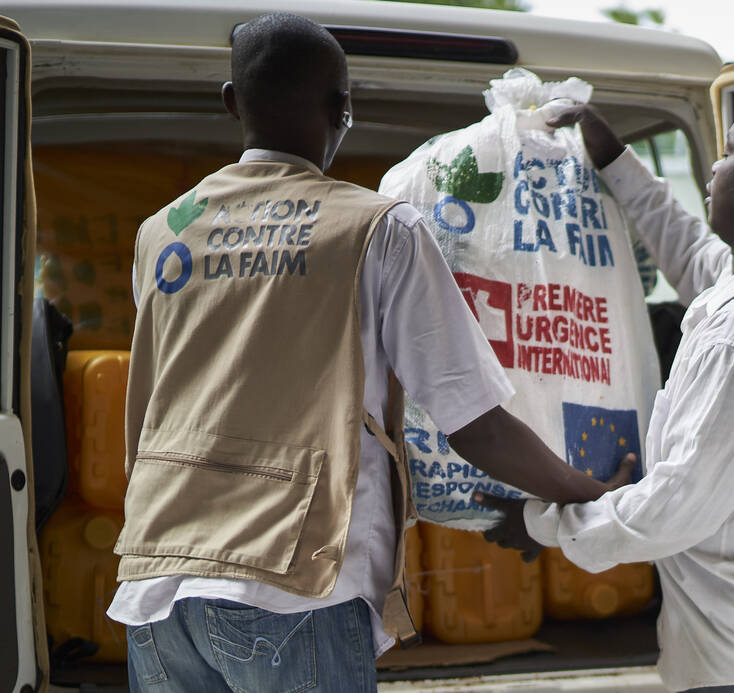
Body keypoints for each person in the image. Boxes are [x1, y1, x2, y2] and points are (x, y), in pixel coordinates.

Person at [107, 13, 628, 692]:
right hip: (293, 587)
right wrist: (591, 494)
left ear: (234, 103)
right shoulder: (378, 229)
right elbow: (474, 421)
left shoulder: (163, 233)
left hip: (155, 582)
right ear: (343, 110)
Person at [476, 97, 734, 693]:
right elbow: (688, 249)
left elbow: (670, 510)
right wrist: (611, 156)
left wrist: (542, 525)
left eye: (729, 154)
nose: (714, 168)